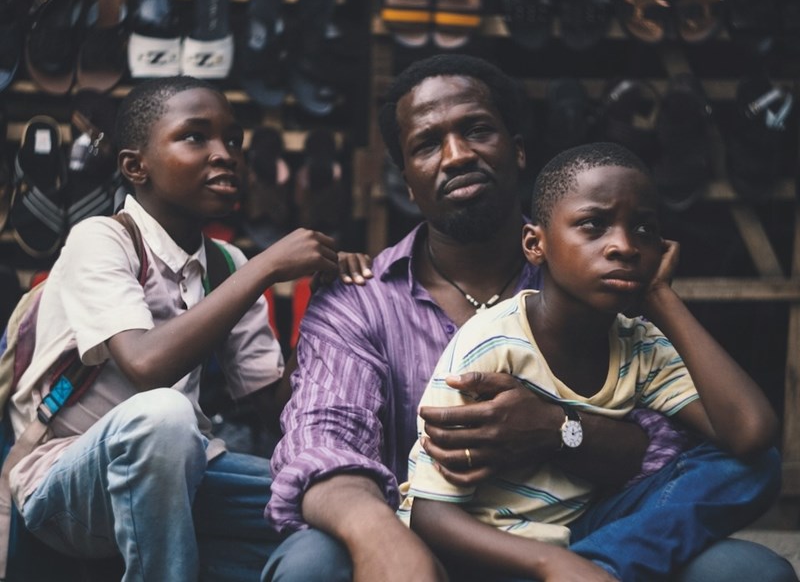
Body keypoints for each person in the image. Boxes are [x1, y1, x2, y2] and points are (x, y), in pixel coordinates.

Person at [264, 53, 793, 582]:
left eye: (477, 129)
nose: (456, 155)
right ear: (406, 181)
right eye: (428, 144)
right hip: (435, 546)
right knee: (316, 561)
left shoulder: (600, 279)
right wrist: (383, 540)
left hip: (587, 535)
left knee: (746, 569)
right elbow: (321, 445)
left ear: (517, 152)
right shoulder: (359, 304)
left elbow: (671, 452)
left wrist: (555, 429)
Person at [7, 76, 341, 581]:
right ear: (135, 167)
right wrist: (267, 269)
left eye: (234, 141)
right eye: (195, 136)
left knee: (338, 502)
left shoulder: (228, 263)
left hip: (188, 472)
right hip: (66, 480)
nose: (225, 153)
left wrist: (327, 304)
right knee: (164, 417)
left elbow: (277, 406)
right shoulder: (100, 239)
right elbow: (146, 366)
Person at [399, 141, 781, 581]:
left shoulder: (640, 345)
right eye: (593, 225)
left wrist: (661, 298)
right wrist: (553, 564)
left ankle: (606, 565)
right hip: (493, 554)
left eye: (643, 230)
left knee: (757, 465)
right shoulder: (492, 343)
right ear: (534, 244)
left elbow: (750, 433)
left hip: (587, 537)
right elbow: (431, 516)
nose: (623, 246)